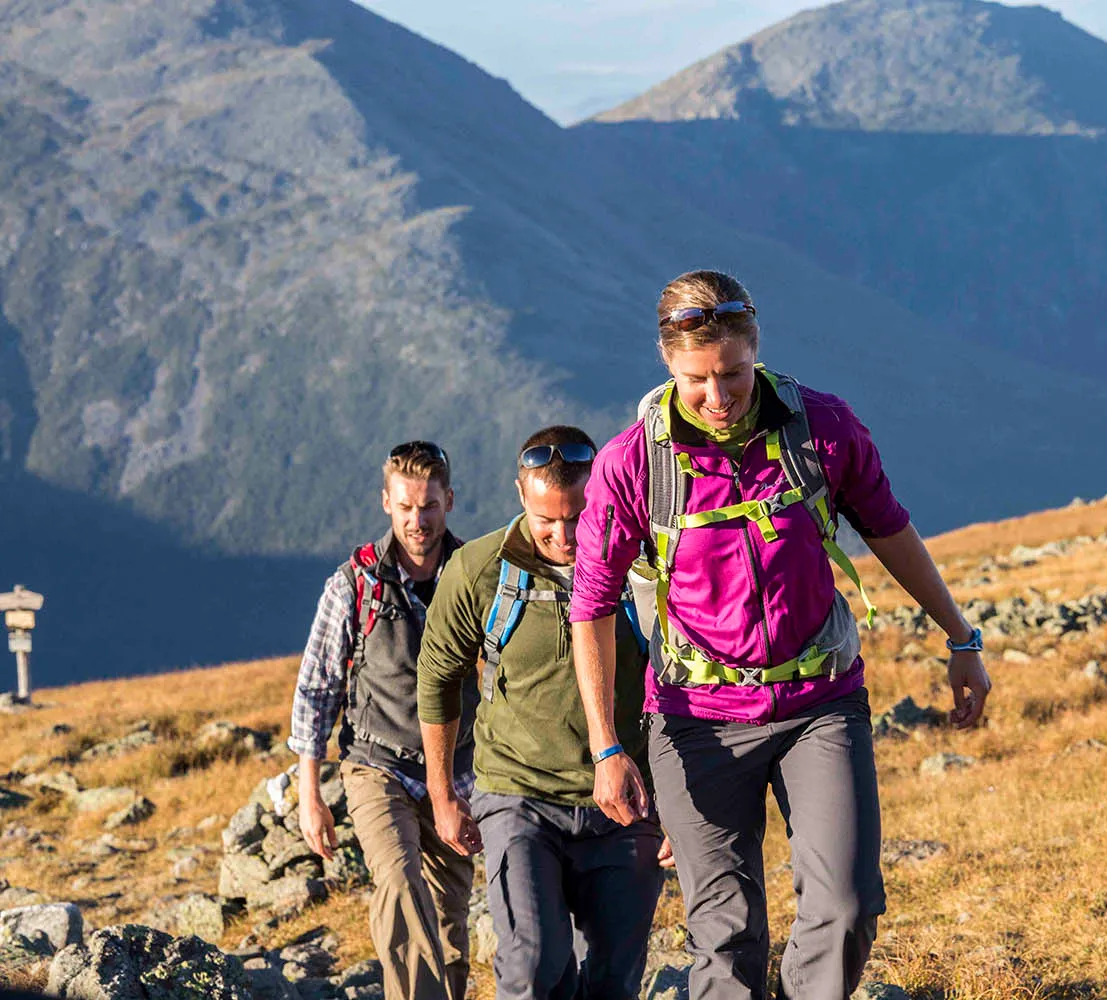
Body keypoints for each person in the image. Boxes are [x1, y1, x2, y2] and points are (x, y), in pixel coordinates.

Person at [570, 270, 992, 1000]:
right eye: (697, 379)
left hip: (820, 704)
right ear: (669, 366)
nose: (719, 395)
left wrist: (961, 639)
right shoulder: (632, 464)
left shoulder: (821, 428)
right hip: (695, 721)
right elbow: (592, 606)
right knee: (725, 936)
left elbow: (888, 528)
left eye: (733, 373)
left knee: (848, 908)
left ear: (755, 351)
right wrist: (608, 745)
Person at [416, 425, 667, 1000]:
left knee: (612, 980)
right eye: (545, 519)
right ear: (520, 496)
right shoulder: (479, 573)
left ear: (602, 493)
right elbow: (438, 680)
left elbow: (681, 681)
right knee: (532, 966)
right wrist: (441, 793)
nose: (563, 535)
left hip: (627, 804)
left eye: (578, 516)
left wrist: (676, 804)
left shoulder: (645, 567)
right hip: (517, 796)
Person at [288, 441, 477, 1000]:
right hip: (376, 766)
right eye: (405, 507)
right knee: (398, 883)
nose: (417, 521)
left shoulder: (476, 578)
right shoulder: (353, 585)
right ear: (386, 504)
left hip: (459, 775)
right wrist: (309, 793)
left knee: (449, 921)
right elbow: (316, 687)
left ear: (449, 500)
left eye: (430, 506)